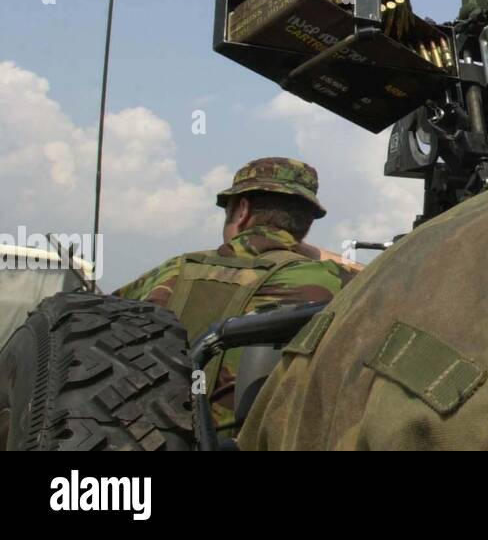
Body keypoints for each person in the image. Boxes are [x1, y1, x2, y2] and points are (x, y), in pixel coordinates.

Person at [113, 156, 357, 435]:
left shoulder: (175, 270)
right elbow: (387, 274)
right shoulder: (337, 281)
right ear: (307, 225)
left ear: (241, 210)